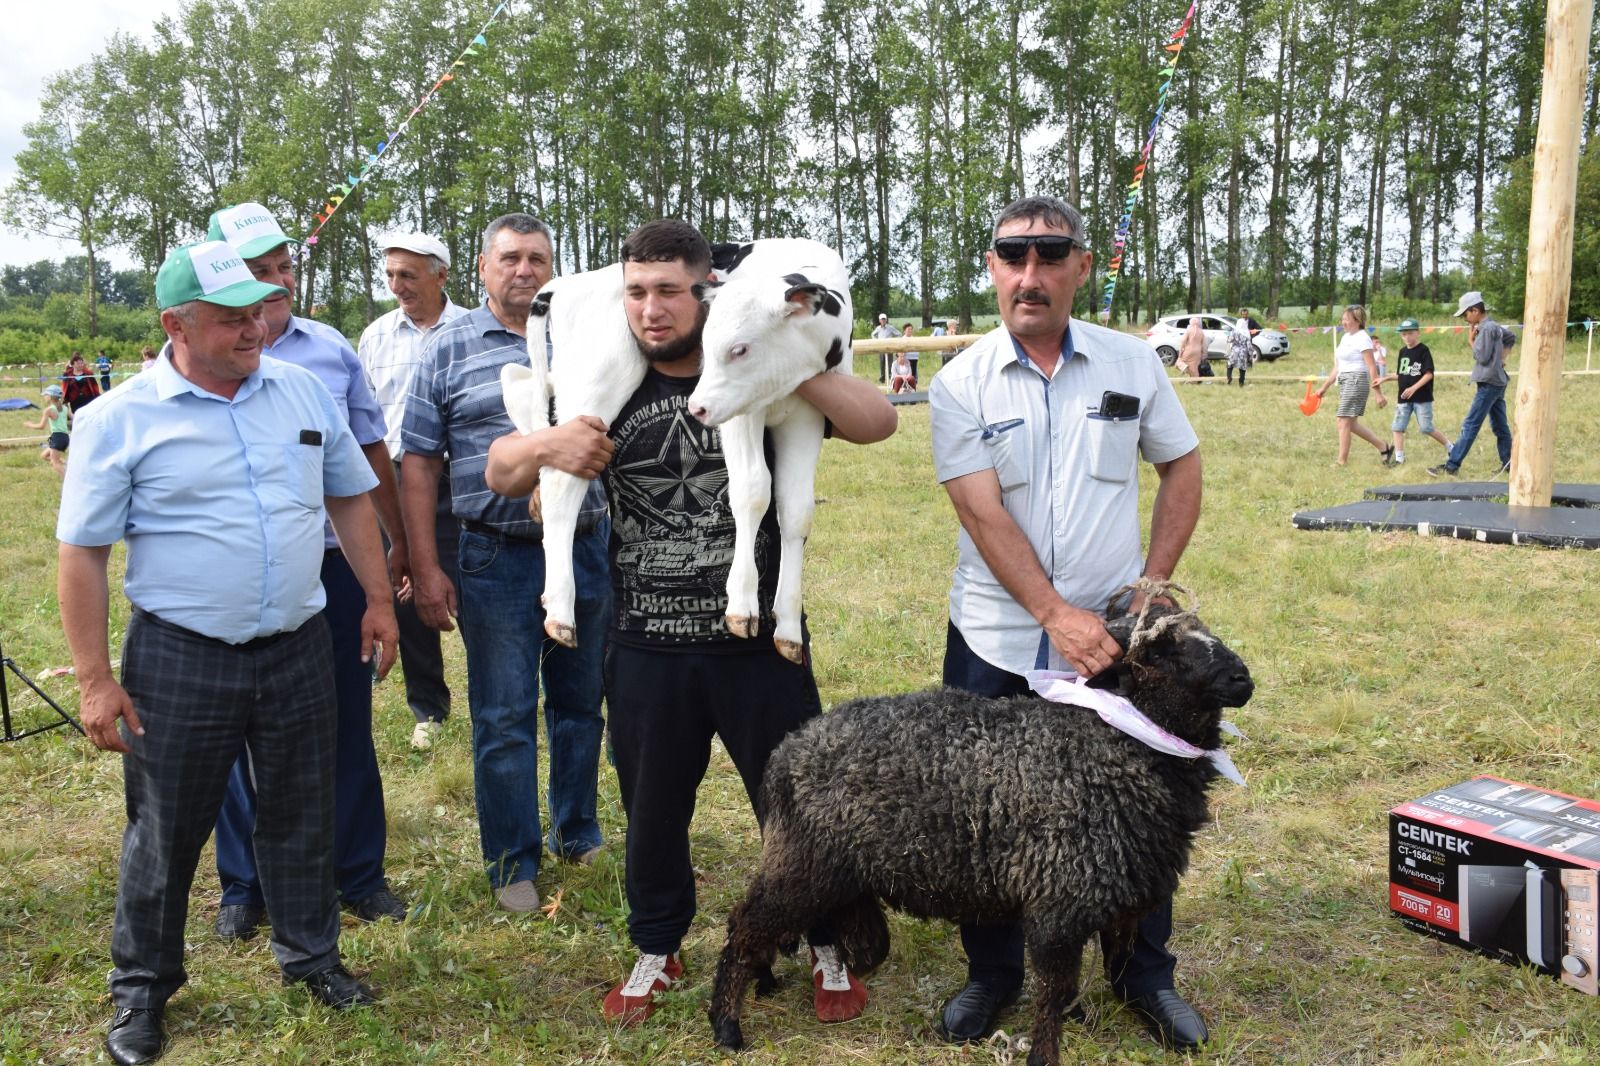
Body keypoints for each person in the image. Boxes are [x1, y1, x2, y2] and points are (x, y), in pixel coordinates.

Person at [483, 218, 897, 1027]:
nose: (652, 309)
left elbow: (877, 421)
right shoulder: (611, 374)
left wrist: (797, 357)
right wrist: (547, 444)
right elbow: (501, 474)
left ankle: (822, 940)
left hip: (757, 642)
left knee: (797, 801)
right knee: (652, 808)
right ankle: (657, 945)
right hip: (643, 640)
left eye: (671, 291)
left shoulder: (760, 370)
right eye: (636, 291)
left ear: (709, 292)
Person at [57, 241, 399, 1066]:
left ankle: (312, 958)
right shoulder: (118, 419)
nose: (255, 327)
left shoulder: (302, 392)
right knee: (165, 830)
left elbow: (350, 498)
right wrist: (98, 680)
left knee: (301, 811)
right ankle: (141, 993)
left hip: (296, 645)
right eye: (232, 317)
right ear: (176, 325)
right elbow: (83, 555)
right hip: (180, 656)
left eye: (259, 310)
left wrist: (382, 601)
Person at [928, 195, 1208, 1052]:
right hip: (997, 636)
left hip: (1119, 647)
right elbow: (982, 515)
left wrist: (1153, 584)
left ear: (1082, 267)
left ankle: (1143, 977)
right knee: (985, 816)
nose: (1031, 273)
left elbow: (1182, 464)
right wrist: (1057, 616)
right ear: (991, 268)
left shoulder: (1132, 364)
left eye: (1051, 255)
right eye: (1014, 255)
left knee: (1138, 810)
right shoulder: (958, 382)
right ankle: (994, 975)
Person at [205, 201, 411, 938]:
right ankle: (244, 885)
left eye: (284, 266)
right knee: (238, 733)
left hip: (335, 569)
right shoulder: (197, 354)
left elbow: (370, 457)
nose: (278, 282)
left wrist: (397, 547)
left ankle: (359, 873)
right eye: (260, 271)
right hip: (243, 576)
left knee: (347, 721)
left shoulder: (328, 351)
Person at [401, 212, 610, 913]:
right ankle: (512, 860)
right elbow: (420, 464)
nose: (525, 271)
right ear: (482, 270)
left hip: (585, 545)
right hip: (495, 556)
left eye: (538, 259)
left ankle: (576, 832)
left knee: (582, 702)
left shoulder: (588, 339)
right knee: (504, 713)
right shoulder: (447, 348)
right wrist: (426, 568)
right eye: (510, 258)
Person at [357, 232, 469, 752]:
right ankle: (428, 707)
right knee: (408, 591)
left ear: (440, 275)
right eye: (390, 276)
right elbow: (367, 422)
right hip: (399, 481)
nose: (397, 285)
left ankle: (501, 691)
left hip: (464, 477)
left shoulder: (472, 330)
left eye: (408, 274)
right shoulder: (375, 337)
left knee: (476, 586)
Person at [1429, 291, 1515, 478]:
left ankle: (1452, 465)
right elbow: (1511, 337)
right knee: (1500, 426)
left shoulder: (1485, 328)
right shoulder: (1495, 326)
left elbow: (1482, 357)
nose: (1465, 320)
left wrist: (1471, 341)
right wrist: (1501, 359)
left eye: (1465, 315)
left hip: (1489, 382)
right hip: (1498, 381)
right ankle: (1510, 463)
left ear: (1475, 311)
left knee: (1471, 424)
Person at [1314, 304, 1393, 466]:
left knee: (1342, 421)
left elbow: (1372, 366)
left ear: (1357, 320)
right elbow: (1338, 366)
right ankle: (1384, 447)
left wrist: (1378, 393)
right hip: (1344, 381)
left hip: (1357, 380)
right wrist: (1324, 387)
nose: (1343, 322)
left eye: (1346, 319)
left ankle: (1341, 461)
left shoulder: (1362, 337)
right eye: (1342, 319)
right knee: (1351, 423)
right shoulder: (1345, 338)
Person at [1377, 318, 1451, 465]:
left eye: (1410, 333)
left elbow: (1428, 374)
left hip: (1422, 397)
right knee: (1397, 427)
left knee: (1426, 428)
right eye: (1404, 334)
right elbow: (1402, 374)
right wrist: (1384, 378)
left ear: (1418, 333)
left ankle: (1451, 447)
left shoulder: (1424, 350)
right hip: (1404, 398)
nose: (1407, 337)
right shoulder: (1403, 352)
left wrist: (1413, 388)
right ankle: (1399, 459)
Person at [26, 383, 70, 477]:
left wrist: (30, 425)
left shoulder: (49, 410)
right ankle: (65, 463)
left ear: (50, 397)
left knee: (55, 464)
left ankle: (69, 481)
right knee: (44, 456)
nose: (44, 397)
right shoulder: (65, 408)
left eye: (45, 395)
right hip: (65, 437)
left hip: (57, 437)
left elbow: (41, 426)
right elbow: (74, 417)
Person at [871, 311, 898, 382]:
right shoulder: (878, 328)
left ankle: (890, 376)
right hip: (881, 347)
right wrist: (876, 341)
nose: (883, 321)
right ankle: (882, 377)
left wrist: (893, 341)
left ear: (886, 320)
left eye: (884, 319)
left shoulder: (890, 328)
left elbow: (899, 334)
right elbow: (873, 334)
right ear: (879, 320)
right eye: (882, 319)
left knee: (890, 363)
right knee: (882, 362)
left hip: (889, 347)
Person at [1226, 314, 1252, 386]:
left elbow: (1229, 340)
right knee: (1242, 368)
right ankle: (1241, 382)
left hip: (1235, 351)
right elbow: (1249, 345)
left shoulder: (1234, 332)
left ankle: (1229, 377)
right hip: (1243, 352)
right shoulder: (1246, 333)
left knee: (1230, 365)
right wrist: (1250, 355)